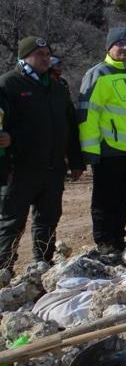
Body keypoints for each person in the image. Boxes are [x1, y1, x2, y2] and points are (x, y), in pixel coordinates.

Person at [0, 36, 83, 271]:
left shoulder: (57, 88)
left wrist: (76, 160)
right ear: (24, 56)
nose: (46, 58)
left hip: (53, 169)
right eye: (40, 54)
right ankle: (3, 270)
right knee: (12, 223)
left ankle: (42, 267)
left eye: (48, 54)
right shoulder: (8, 84)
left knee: (48, 220)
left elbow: (70, 127)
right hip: (20, 169)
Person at [78, 27, 126, 255]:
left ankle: (118, 238)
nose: (124, 48)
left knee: (125, 199)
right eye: (118, 44)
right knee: (104, 200)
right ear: (109, 48)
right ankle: (104, 242)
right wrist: (90, 150)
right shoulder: (98, 74)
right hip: (109, 149)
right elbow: (87, 114)